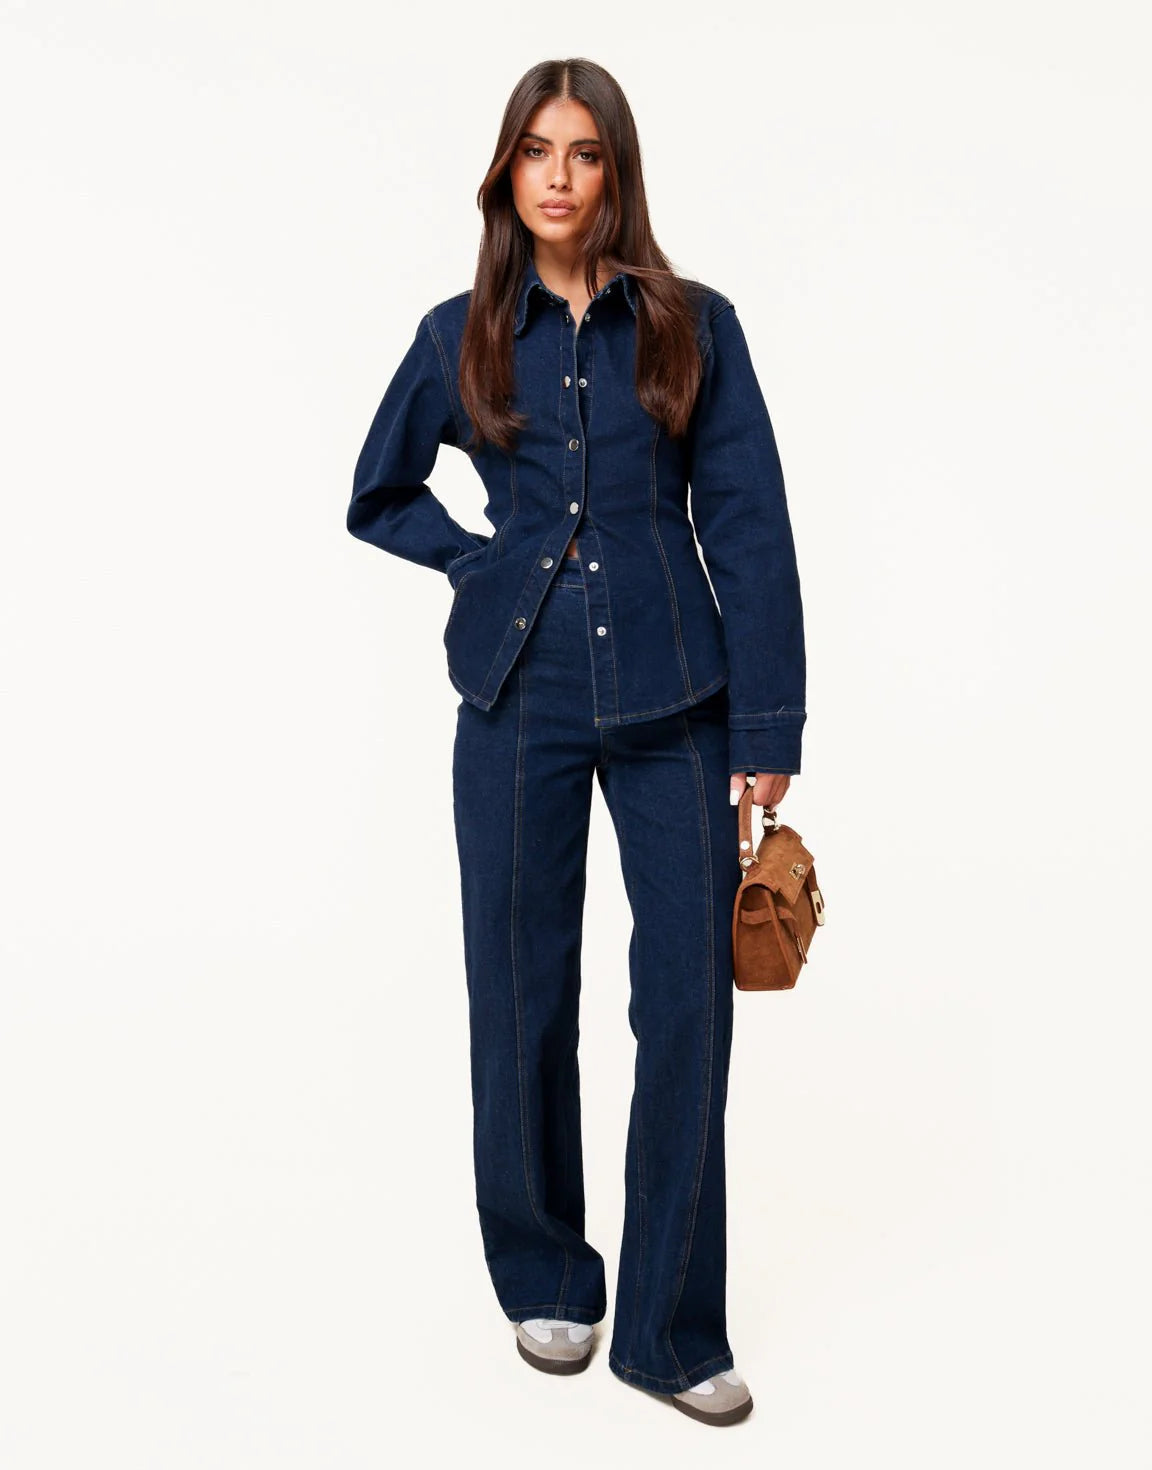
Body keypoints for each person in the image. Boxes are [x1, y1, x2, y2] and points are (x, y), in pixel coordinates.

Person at [346, 58, 807, 1428]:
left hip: (681, 701)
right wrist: (475, 561)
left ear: (618, 172)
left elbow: (751, 524)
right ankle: (546, 1272)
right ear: (508, 172)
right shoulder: (459, 335)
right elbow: (379, 489)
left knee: (690, 1007)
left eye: (585, 151)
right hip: (517, 701)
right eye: (538, 150)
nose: (559, 175)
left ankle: (669, 1328)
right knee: (521, 994)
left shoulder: (694, 325)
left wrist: (768, 722)